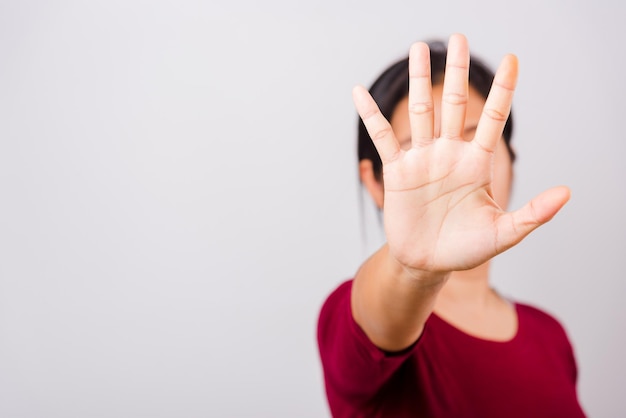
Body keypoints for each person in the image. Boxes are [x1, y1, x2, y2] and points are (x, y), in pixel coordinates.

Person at [317, 34, 586, 417]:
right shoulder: (353, 318)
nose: (453, 170)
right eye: (420, 151)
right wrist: (413, 267)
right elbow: (377, 321)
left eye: (475, 139)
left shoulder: (549, 335)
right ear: (375, 182)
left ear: (510, 155)